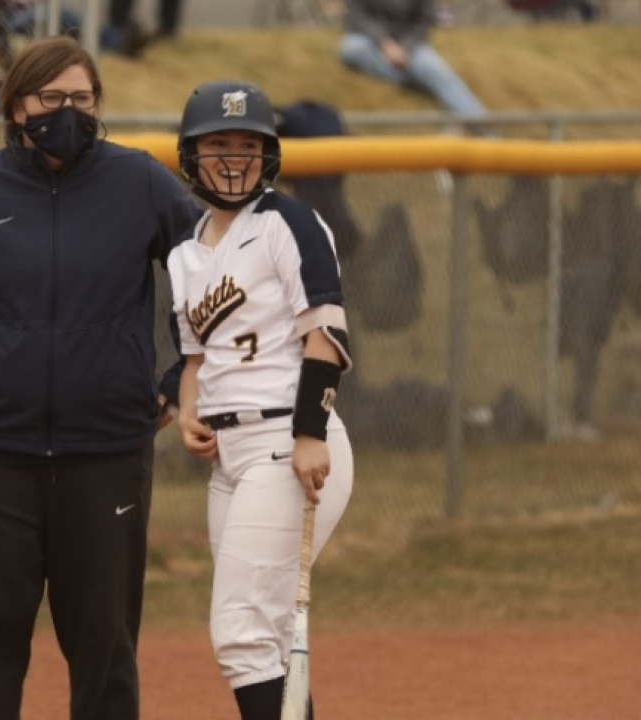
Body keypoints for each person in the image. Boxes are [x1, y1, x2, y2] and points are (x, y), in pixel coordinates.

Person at [0, 35, 202, 720]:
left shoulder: (141, 181)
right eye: (51, 98)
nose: (68, 111)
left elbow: (210, 277)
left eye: (82, 99)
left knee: (105, 650)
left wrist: (183, 374)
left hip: (107, 453)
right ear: (15, 105)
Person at [167, 81, 355, 720]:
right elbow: (196, 359)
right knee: (267, 637)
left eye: (248, 144)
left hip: (287, 439)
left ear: (269, 154)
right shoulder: (187, 252)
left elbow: (326, 334)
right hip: (231, 457)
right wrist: (189, 410)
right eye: (217, 143)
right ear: (191, 153)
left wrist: (310, 433)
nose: (232, 157)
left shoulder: (287, 221)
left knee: (243, 630)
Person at [338, 0, 487, 117]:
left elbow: (424, 21)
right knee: (351, 49)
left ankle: (487, 131)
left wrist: (405, 48)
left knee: (439, 71)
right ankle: (427, 84)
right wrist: (384, 42)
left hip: (410, 44)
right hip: (370, 40)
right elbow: (355, 16)